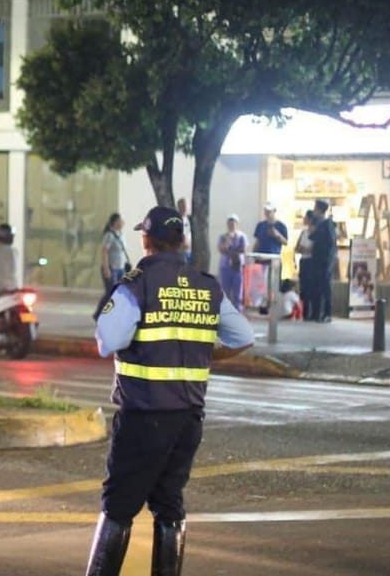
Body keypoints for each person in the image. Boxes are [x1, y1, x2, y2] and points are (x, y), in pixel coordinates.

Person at [87, 206, 254, 576]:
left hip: (143, 416)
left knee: (118, 507)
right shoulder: (206, 284)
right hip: (188, 419)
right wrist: (203, 355)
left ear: (146, 240)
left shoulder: (138, 284)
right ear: (182, 242)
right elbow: (243, 337)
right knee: (169, 505)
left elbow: (108, 341)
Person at [252, 202, 288, 311]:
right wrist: (254, 254)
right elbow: (257, 240)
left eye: (269, 211)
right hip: (261, 258)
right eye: (266, 211)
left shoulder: (281, 226)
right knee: (260, 283)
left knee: (273, 284)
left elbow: (285, 242)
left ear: (274, 211)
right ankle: (262, 305)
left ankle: (272, 305)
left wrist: (277, 235)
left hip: (274, 258)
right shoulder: (261, 225)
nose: (267, 213)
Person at [308, 200, 337, 323]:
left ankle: (327, 313)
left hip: (325, 261)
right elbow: (312, 237)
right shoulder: (318, 224)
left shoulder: (328, 224)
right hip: (316, 260)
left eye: (315, 208)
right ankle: (315, 313)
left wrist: (329, 259)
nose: (314, 211)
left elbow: (330, 243)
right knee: (316, 286)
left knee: (325, 287)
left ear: (320, 210)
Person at [217, 214, 248, 310]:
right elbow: (221, 249)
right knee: (225, 291)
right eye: (230, 224)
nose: (231, 226)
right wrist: (228, 241)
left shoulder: (242, 236)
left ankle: (237, 312)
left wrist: (232, 250)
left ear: (237, 224)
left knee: (237, 292)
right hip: (225, 267)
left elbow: (244, 249)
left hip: (237, 266)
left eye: (233, 223)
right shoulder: (223, 237)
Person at [295, 211, 316, 320]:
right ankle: (305, 312)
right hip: (303, 261)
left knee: (310, 287)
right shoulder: (304, 232)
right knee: (303, 288)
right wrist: (304, 249)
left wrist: (306, 249)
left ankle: (312, 312)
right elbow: (297, 248)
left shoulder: (315, 233)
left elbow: (312, 249)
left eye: (306, 217)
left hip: (311, 262)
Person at [101, 213, 130, 291]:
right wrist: (106, 268)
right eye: (121, 221)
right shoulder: (109, 235)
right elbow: (104, 251)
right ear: (116, 222)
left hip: (121, 268)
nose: (123, 222)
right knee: (112, 291)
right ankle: (106, 303)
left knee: (120, 291)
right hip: (112, 268)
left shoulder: (121, 235)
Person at [177, 198, 192, 263]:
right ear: (178, 207)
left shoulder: (190, 219)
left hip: (191, 250)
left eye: (185, 205)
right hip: (181, 251)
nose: (184, 208)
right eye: (182, 206)